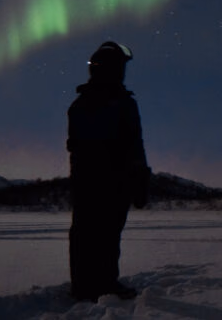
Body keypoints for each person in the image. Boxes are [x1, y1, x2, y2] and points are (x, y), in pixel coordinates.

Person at [67, 41, 151, 301]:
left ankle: (84, 285)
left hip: (86, 182)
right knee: (106, 234)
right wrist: (139, 179)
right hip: (113, 181)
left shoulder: (79, 104)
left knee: (86, 233)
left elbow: (75, 147)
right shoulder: (123, 104)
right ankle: (104, 284)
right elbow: (134, 144)